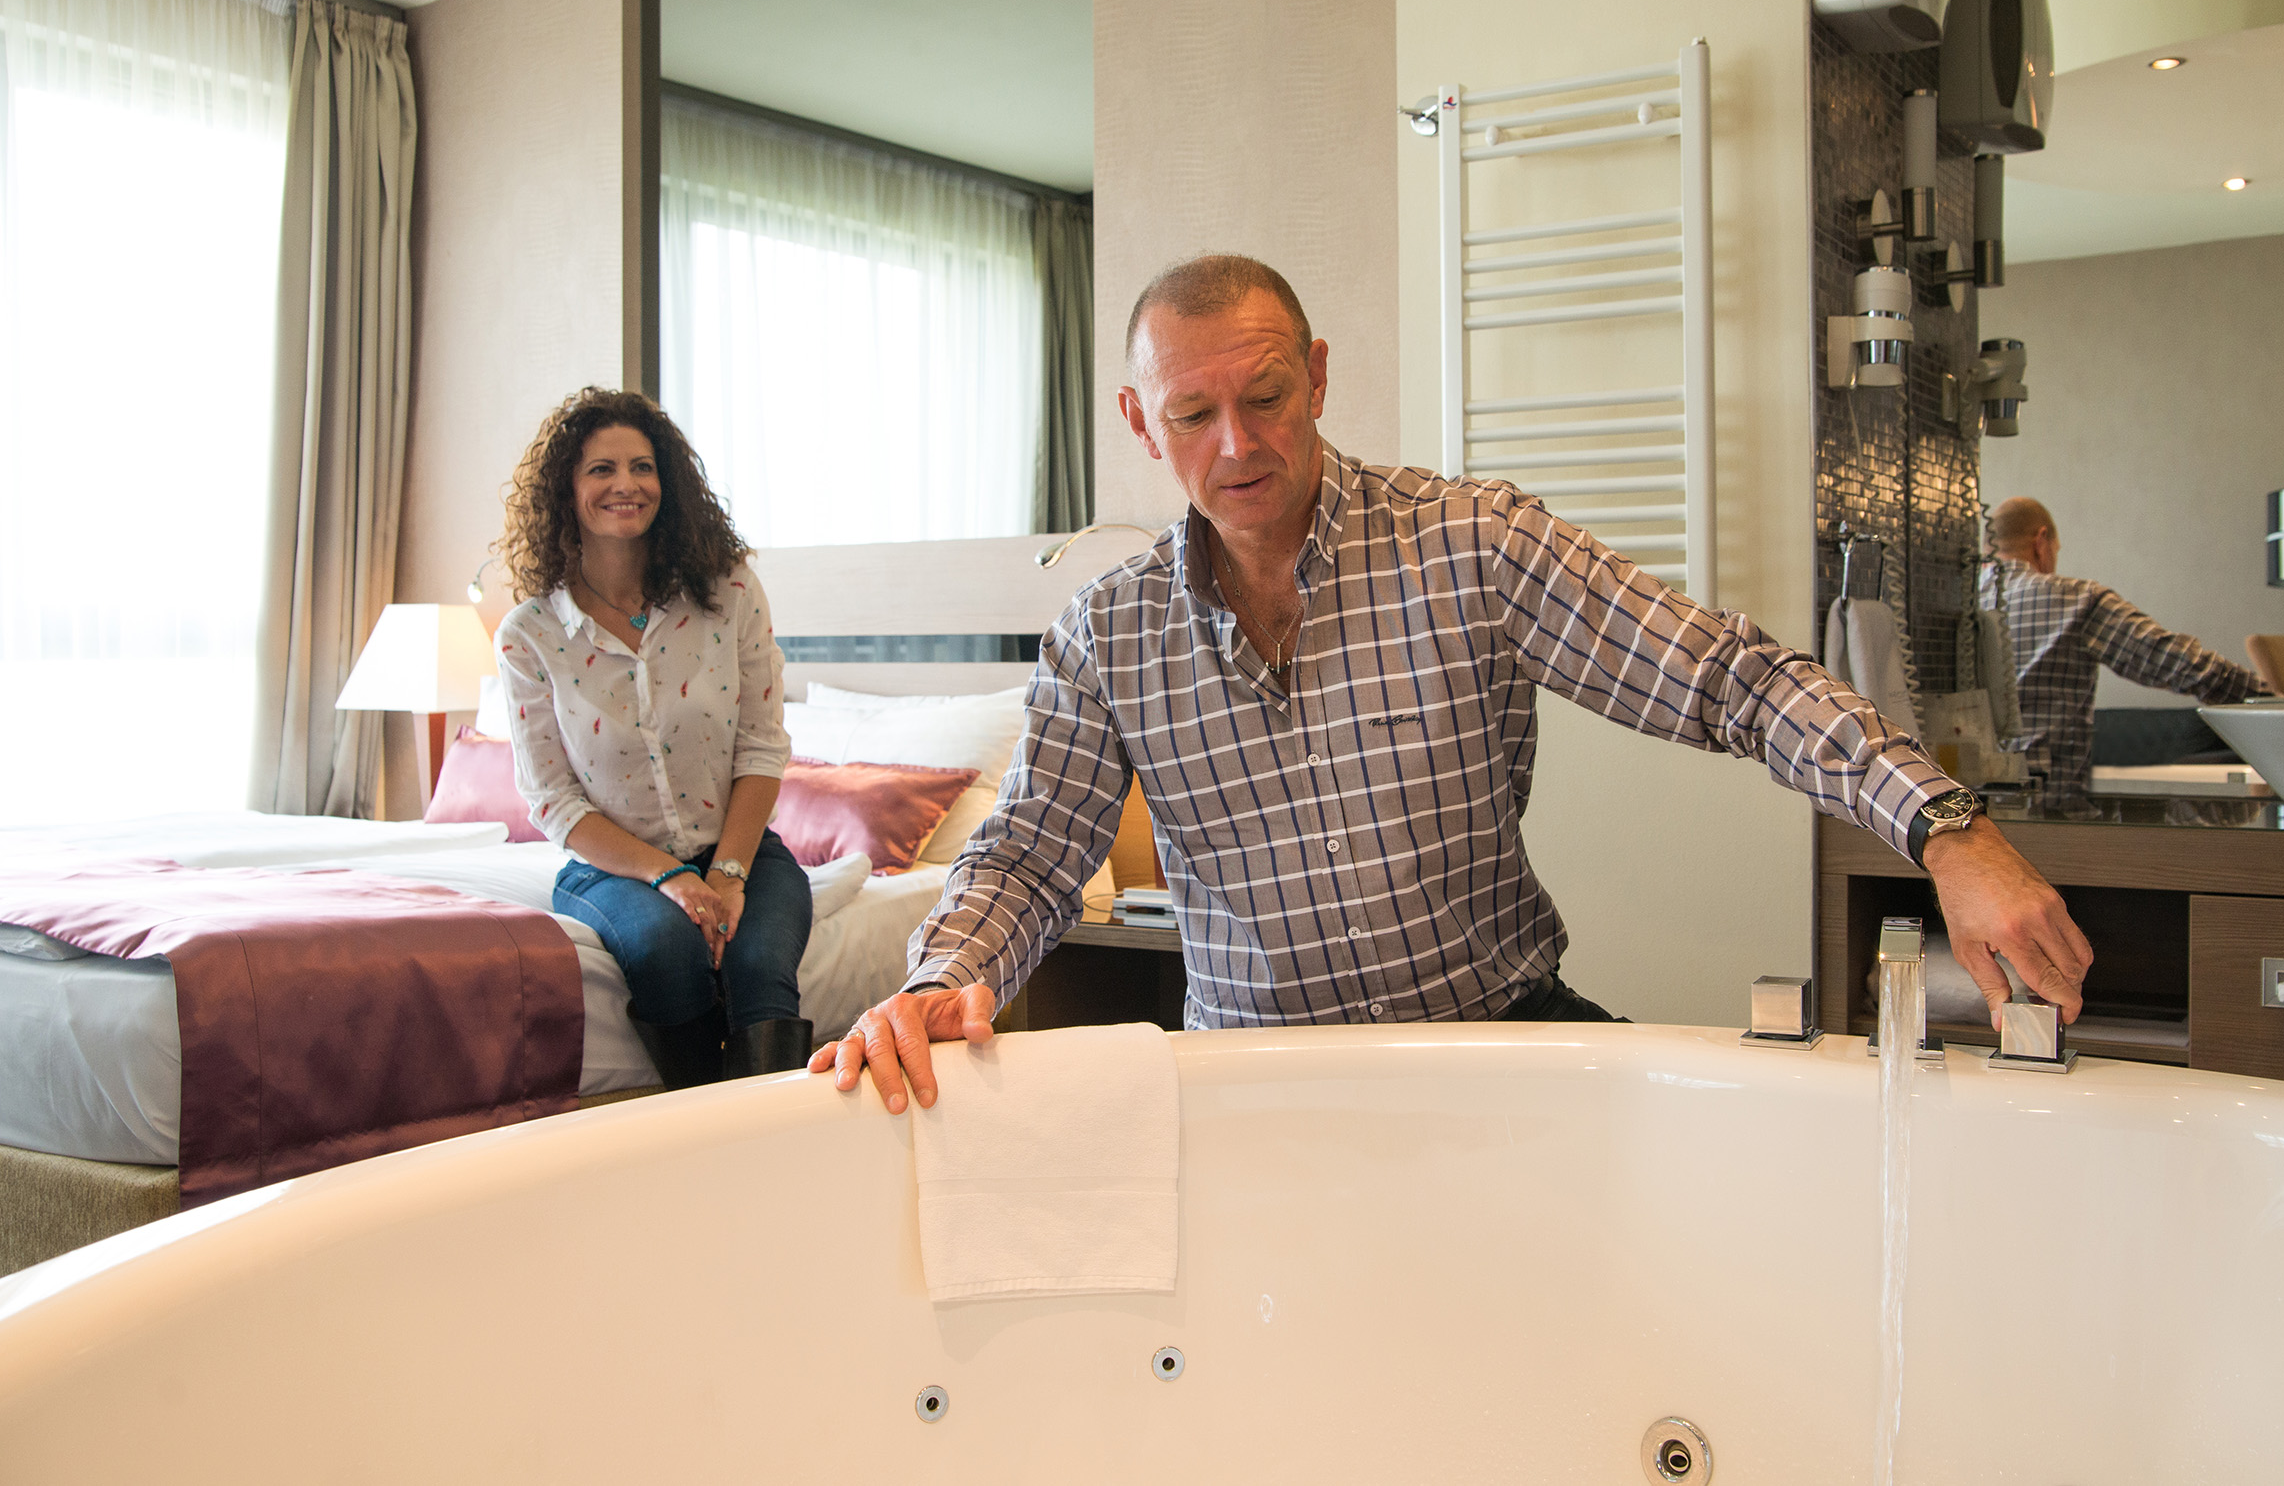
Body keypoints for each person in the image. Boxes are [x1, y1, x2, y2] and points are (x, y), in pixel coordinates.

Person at [814, 256, 2091, 1112]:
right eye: (1194, 414)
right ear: (1142, 423)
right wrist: (938, 984)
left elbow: (1728, 678)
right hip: (1254, 1090)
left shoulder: (1469, 545)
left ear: (1317, 374)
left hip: (1500, 1040)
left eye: (1266, 395)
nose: (1239, 443)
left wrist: (1946, 828)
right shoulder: (1107, 634)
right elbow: (1029, 858)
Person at [496, 388, 814, 1087]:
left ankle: (774, 1136)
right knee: (668, 948)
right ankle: (702, 1130)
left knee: (759, 962)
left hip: (741, 853)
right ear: (565, 490)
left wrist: (726, 875)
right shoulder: (530, 635)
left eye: (643, 467)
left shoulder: (729, 593)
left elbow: (761, 748)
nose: (626, 484)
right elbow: (552, 799)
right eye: (601, 469)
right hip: (611, 869)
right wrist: (670, 878)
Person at [1984, 497, 2268, 813]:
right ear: (2041, 542)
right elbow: (2174, 661)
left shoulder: (1955, 603)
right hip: (2048, 816)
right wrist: (2270, 701)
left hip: (1963, 816)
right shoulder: (2076, 600)